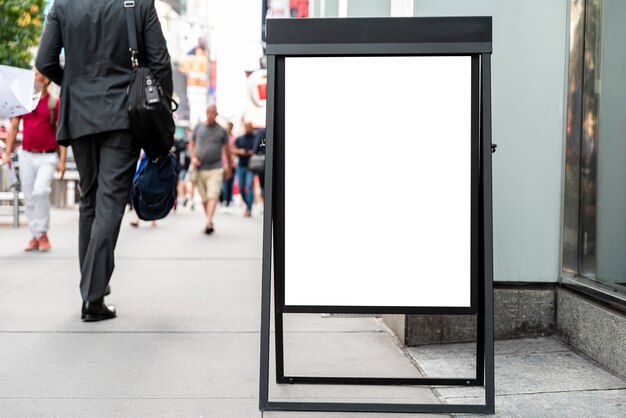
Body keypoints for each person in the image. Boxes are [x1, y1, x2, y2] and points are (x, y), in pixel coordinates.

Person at [35, 0, 173, 321]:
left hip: (79, 114)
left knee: (90, 199)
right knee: (110, 201)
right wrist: (160, 108)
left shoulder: (62, 5)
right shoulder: (139, 4)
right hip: (123, 113)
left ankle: (92, 286)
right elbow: (160, 63)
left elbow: (45, 61)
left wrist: (73, 83)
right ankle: (93, 297)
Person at [2, 70, 67, 252]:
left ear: (46, 80)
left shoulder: (55, 103)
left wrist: (62, 161)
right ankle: (35, 235)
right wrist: (7, 153)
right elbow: (14, 129)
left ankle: (43, 233)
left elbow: (61, 134)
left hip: (48, 156)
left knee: (41, 191)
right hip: (26, 155)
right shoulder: (23, 101)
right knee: (29, 197)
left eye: (36, 75)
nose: (32, 78)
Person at [189, 105, 233, 234]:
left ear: (216, 114)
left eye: (213, 113)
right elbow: (191, 145)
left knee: (212, 194)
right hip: (200, 168)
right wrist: (192, 158)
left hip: (216, 168)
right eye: (209, 112)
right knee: (204, 198)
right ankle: (209, 219)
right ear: (206, 113)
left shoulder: (221, 131)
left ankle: (208, 222)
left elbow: (227, 150)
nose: (210, 115)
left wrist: (229, 166)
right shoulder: (198, 128)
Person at [233, 121, 257, 217]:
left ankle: (249, 208)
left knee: (249, 186)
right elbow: (233, 149)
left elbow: (261, 147)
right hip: (241, 165)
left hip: (251, 166)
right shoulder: (240, 138)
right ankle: (247, 204)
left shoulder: (255, 138)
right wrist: (241, 151)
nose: (248, 128)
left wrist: (252, 152)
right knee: (241, 187)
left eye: (249, 127)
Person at [220, 121, 236, 207]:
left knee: (230, 183)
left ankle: (229, 200)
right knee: (224, 183)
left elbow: (234, 150)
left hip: (232, 164)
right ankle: (224, 200)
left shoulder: (234, 138)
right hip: (223, 163)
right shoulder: (223, 137)